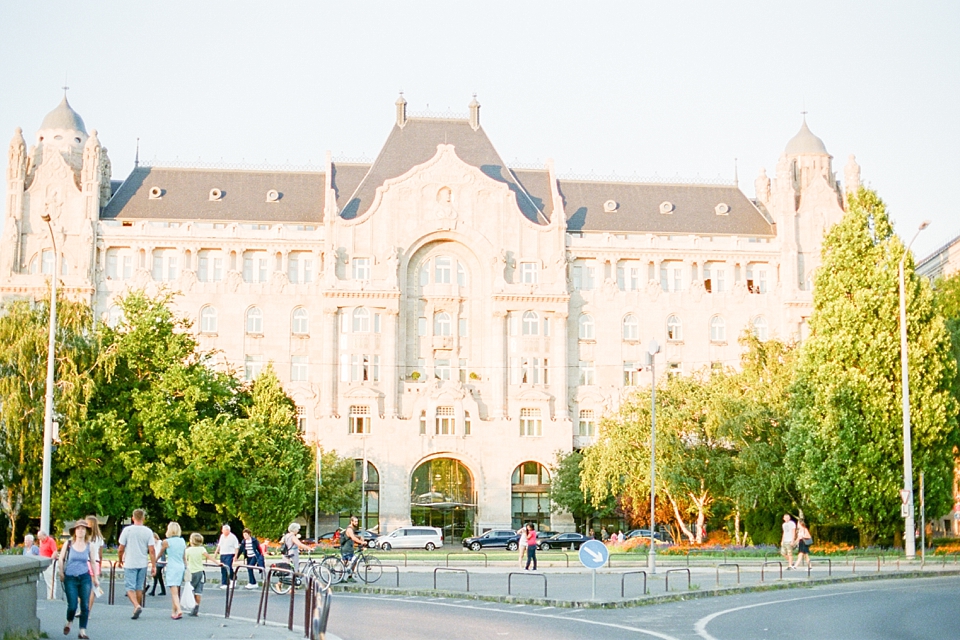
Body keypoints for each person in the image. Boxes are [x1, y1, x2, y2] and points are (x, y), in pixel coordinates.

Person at [58, 520, 99, 639]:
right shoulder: (69, 544)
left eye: (83, 529)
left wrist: (95, 577)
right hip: (70, 577)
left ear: (86, 531)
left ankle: (82, 631)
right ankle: (69, 621)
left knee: (85, 605)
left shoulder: (89, 545)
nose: (80, 531)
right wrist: (61, 572)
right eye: (78, 529)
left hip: (84, 577)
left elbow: (92, 561)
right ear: (74, 531)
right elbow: (61, 559)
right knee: (72, 605)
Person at [117, 508, 157, 620]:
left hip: (130, 562)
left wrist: (120, 559)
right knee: (139, 586)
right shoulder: (148, 531)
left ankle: (136, 605)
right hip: (142, 562)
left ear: (133, 518)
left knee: (129, 587)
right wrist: (153, 565)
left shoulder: (127, 530)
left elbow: (121, 548)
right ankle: (137, 607)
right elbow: (152, 550)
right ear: (143, 518)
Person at [184, 533, 216, 617]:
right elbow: (208, 556)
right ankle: (196, 608)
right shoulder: (202, 549)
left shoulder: (188, 550)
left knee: (190, 589)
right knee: (198, 591)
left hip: (191, 572)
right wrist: (217, 563)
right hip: (200, 572)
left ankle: (191, 605)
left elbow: (184, 560)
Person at [160, 522, 186, 619]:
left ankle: (178, 610)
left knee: (173, 591)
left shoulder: (166, 541)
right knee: (176, 590)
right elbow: (184, 556)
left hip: (172, 566)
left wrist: (153, 561)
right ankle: (173, 611)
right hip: (180, 566)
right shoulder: (182, 541)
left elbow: (160, 553)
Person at [85, 516, 104, 612]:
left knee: (83, 585)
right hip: (95, 562)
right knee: (92, 588)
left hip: (86, 561)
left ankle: (83, 608)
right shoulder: (99, 538)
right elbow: (100, 554)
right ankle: (88, 610)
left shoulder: (86, 537)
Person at [214, 524, 240, 590]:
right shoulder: (222, 536)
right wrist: (216, 553)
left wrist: (236, 556)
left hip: (230, 554)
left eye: (223, 530)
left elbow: (236, 547)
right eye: (222, 530)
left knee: (228, 567)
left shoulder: (233, 537)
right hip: (223, 554)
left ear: (227, 530)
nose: (222, 531)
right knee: (223, 568)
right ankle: (224, 583)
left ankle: (233, 578)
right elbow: (219, 545)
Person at [339, 517, 363, 581]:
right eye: (355, 521)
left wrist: (359, 537)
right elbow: (353, 537)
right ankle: (348, 577)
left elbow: (353, 536)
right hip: (347, 549)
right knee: (354, 561)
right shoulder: (349, 529)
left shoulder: (351, 529)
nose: (357, 523)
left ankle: (341, 578)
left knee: (345, 563)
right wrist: (361, 542)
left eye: (357, 521)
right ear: (351, 521)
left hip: (347, 548)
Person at [37, 530, 59, 599]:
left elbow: (55, 551)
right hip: (42, 562)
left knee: (50, 580)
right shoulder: (41, 542)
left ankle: (51, 597)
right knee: (41, 580)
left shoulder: (50, 541)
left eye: (40, 537)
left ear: (44, 535)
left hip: (49, 563)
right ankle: (49, 596)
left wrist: (50, 560)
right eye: (38, 537)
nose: (39, 538)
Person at [149, 532, 166, 596]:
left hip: (160, 561)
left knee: (156, 575)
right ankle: (163, 590)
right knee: (159, 576)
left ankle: (153, 591)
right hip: (156, 562)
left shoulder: (160, 542)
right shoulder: (153, 545)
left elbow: (161, 552)